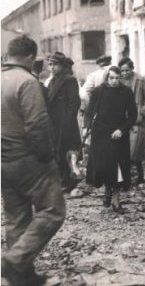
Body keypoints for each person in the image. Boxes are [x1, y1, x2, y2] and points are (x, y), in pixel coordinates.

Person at [1, 36, 66, 286]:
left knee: (17, 218)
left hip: (3, 162)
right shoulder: (27, 82)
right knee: (53, 211)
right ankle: (12, 262)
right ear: (30, 57)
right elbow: (37, 125)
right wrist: (49, 158)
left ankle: (21, 278)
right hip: (28, 160)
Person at [85, 66, 137, 213]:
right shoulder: (99, 91)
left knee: (118, 167)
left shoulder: (126, 92)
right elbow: (89, 112)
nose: (114, 81)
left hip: (118, 134)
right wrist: (86, 128)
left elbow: (133, 115)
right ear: (107, 77)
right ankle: (107, 190)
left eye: (117, 78)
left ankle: (116, 200)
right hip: (101, 133)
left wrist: (122, 130)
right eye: (111, 78)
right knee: (104, 166)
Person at [47, 51, 81, 190]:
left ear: (62, 65)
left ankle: (69, 182)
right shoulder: (52, 81)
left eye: (55, 64)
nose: (52, 68)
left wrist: (68, 120)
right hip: (54, 123)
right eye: (50, 64)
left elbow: (75, 102)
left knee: (67, 150)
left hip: (66, 123)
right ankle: (62, 180)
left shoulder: (69, 80)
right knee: (58, 150)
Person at [118, 57, 145, 183]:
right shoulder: (118, 81)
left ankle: (139, 174)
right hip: (122, 119)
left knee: (135, 149)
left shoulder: (140, 80)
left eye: (127, 70)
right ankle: (124, 177)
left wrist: (142, 112)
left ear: (132, 69)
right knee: (121, 149)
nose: (124, 73)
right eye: (122, 71)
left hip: (136, 120)